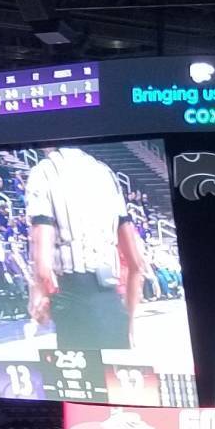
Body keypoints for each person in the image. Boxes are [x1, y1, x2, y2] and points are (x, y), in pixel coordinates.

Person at [25, 143, 146, 351]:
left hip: (73, 297)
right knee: (116, 379)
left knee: (81, 379)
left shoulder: (43, 172)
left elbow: (43, 265)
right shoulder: (105, 173)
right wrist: (130, 322)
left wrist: (38, 293)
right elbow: (137, 264)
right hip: (110, 296)